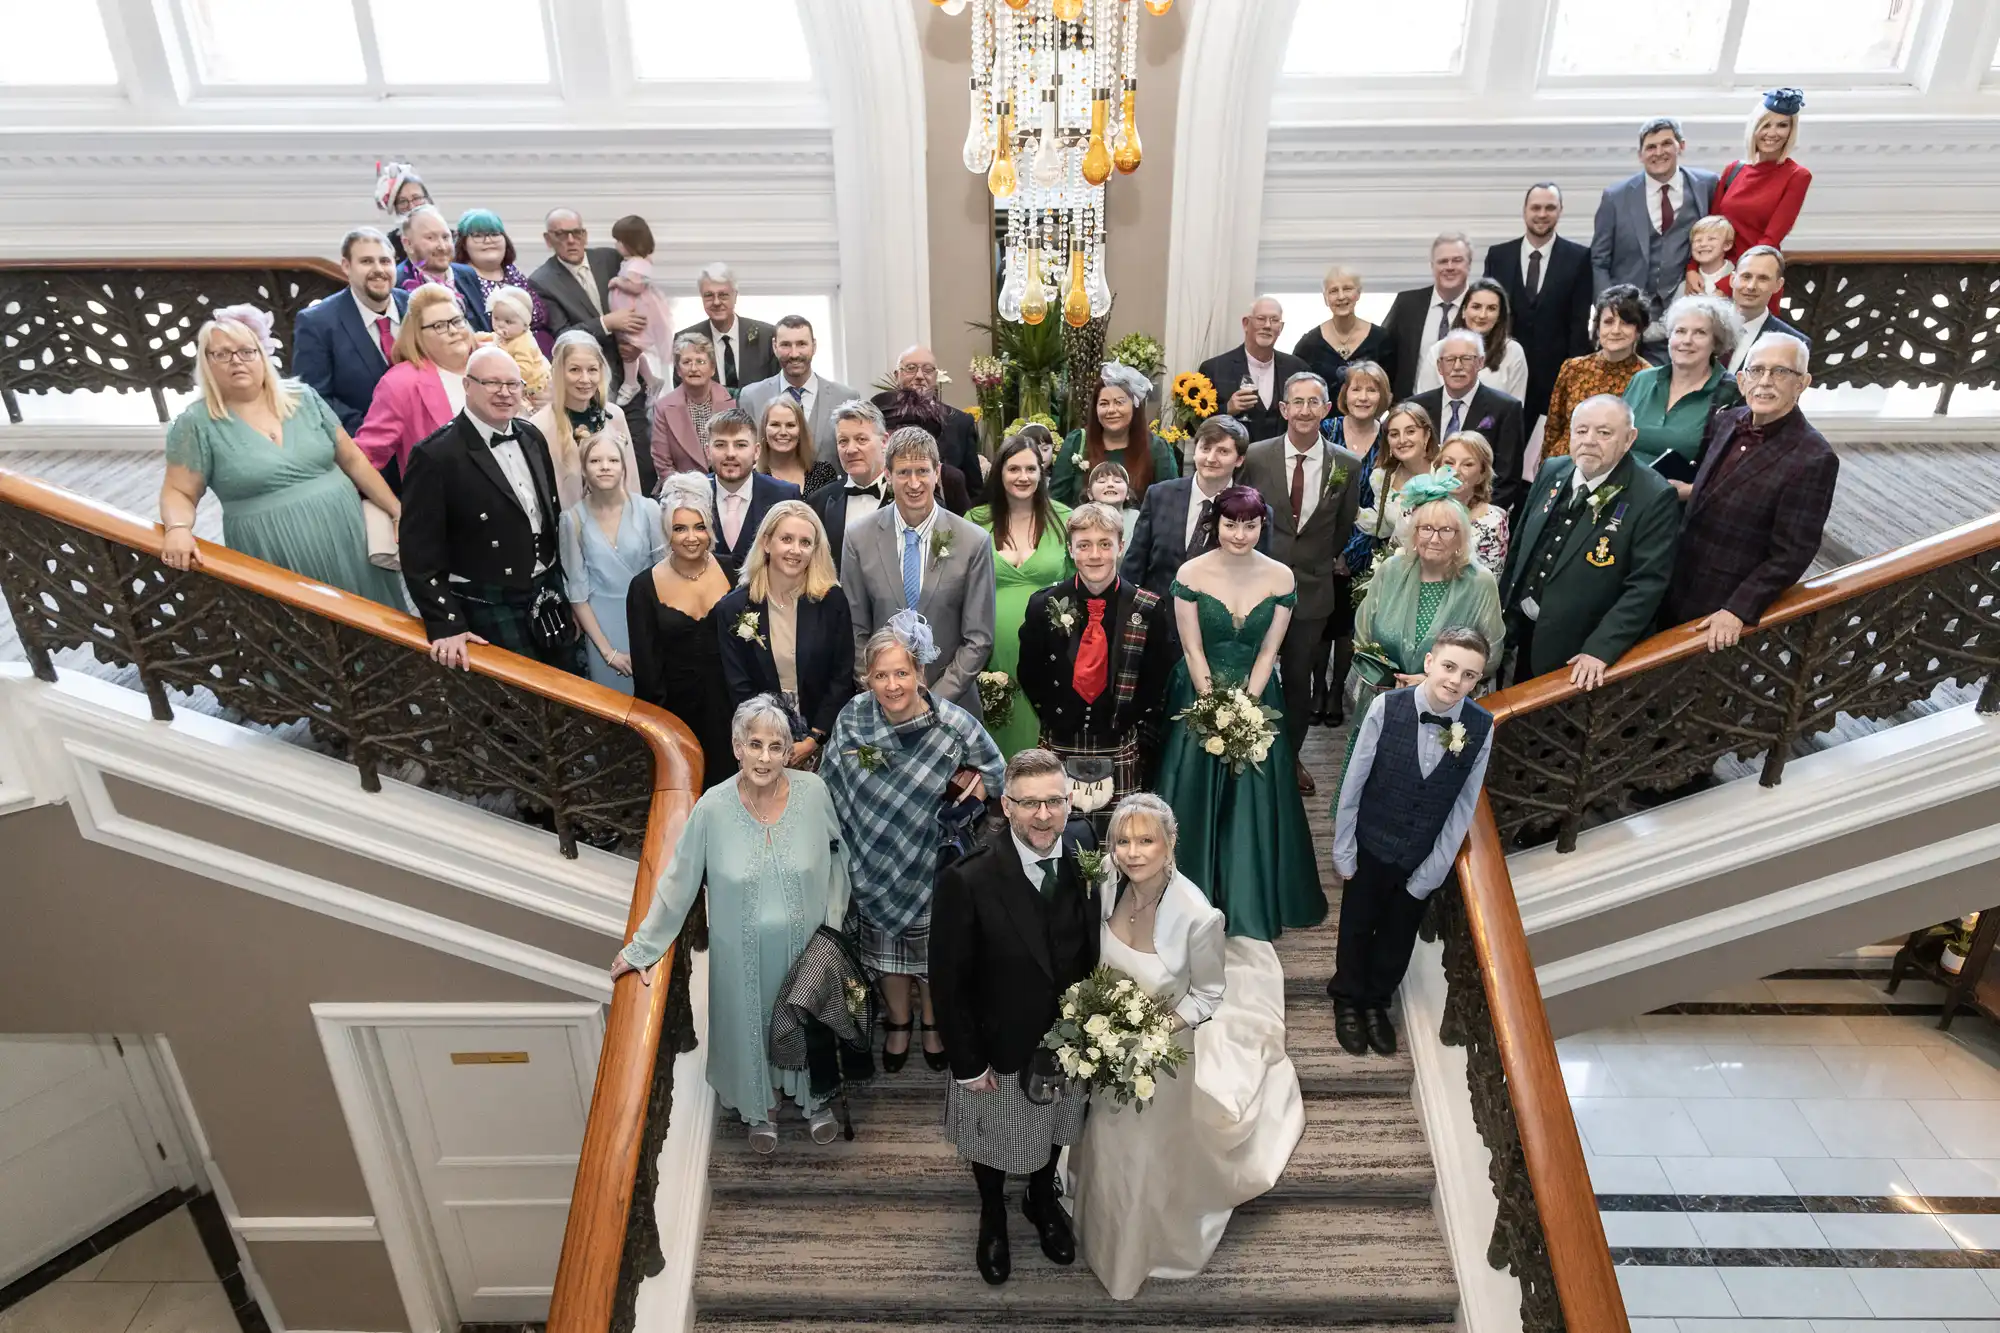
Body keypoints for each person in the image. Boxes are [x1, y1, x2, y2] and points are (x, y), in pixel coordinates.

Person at [1069, 792, 1302, 1301]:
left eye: (1146, 840)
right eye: (1123, 841)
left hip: (1162, 1056)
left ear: (1170, 844)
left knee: (1141, 1149)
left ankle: (1134, 1251)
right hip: (1105, 1043)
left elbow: (1209, 994)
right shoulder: (1106, 884)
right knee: (1102, 1137)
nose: (1132, 852)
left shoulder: (1199, 916)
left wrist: (1153, 1032)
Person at [612, 695, 852, 1151]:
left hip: (809, 951)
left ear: (789, 752)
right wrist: (642, 948)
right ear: (737, 747)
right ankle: (758, 1105)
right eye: (754, 744)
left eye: (776, 746)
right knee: (753, 1023)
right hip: (742, 957)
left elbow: (840, 862)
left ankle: (814, 1099)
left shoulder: (814, 793)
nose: (765, 757)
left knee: (808, 1021)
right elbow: (678, 883)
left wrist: (833, 930)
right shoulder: (711, 808)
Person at [928, 748, 1096, 1286]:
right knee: (991, 1139)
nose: (1043, 815)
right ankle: (994, 1212)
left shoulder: (1086, 843)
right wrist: (967, 1063)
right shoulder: (968, 880)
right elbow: (948, 982)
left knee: (1055, 1129)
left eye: (1054, 801)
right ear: (1006, 806)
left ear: (1069, 801)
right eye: (1029, 805)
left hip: (1069, 1040)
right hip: (998, 1044)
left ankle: (1040, 1200)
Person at [824, 614, 1006, 1074]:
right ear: (868, 678)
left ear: (920, 673)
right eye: (880, 675)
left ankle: (932, 1021)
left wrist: (974, 792)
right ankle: (900, 1023)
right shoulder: (853, 716)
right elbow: (830, 781)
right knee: (888, 955)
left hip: (931, 863)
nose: (891, 685)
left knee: (931, 955)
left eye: (901, 673)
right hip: (869, 858)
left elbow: (998, 772)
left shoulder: (953, 725)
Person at [1155, 485, 1325, 941]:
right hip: (1198, 687)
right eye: (1231, 524)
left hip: (1256, 689)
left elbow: (1270, 650)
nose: (1240, 534)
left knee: (1256, 791)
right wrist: (1212, 705)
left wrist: (1248, 706)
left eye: (1250, 525)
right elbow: (1191, 647)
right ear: (1216, 525)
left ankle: (1250, 895)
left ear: (1261, 526)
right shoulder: (1191, 572)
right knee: (1191, 787)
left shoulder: (1281, 577)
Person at [157, 305, 405, 606]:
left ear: (262, 355)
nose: (237, 361)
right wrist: (178, 529)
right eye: (222, 354)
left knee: (373, 619)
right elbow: (179, 490)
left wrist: (396, 510)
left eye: (247, 351)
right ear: (206, 364)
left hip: (348, 534)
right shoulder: (196, 423)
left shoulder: (304, 398)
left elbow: (353, 460)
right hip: (272, 549)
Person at [1328, 628, 1494, 1057]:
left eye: (1470, 675)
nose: (1456, 681)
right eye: (1450, 667)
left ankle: (1377, 1002)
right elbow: (1355, 782)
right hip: (1371, 843)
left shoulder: (1481, 725)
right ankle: (1347, 999)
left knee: (1399, 935)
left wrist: (1434, 869)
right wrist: (1344, 847)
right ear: (1429, 663)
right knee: (1358, 925)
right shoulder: (1388, 707)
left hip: (1420, 855)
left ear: (1478, 681)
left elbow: (1464, 804)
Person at [398, 345, 583, 674]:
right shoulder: (435, 455)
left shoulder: (531, 436)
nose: (505, 393)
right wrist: (446, 622)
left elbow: (546, 519)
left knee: (569, 682)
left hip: (548, 587)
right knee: (513, 702)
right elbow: (417, 553)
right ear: (467, 385)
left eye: (513, 384)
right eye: (492, 383)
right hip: (490, 597)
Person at [1664, 335, 1838, 652]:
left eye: (1781, 372)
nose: (1766, 382)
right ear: (1742, 381)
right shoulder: (1724, 421)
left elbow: (1792, 554)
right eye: (1757, 370)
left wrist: (1737, 609)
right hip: (1674, 579)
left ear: (1803, 383)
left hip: (1720, 602)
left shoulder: (1814, 459)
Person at [1498, 396, 1680, 691]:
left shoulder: (1653, 496)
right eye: (1581, 431)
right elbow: (1520, 545)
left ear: (1629, 439)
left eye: (1604, 433)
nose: (1590, 441)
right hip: (1520, 629)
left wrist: (1600, 648)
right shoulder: (1552, 470)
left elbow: (1646, 585)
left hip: (1579, 650)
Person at [1240, 372, 1365, 794]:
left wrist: (1313, 562)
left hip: (1311, 591)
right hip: (1253, 586)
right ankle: (1238, 751)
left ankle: (1290, 759)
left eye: (1315, 402)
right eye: (1297, 402)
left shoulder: (1346, 465)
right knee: (1245, 671)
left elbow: (1343, 528)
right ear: (1284, 409)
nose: (1305, 410)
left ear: (1328, 409)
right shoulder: (1256, 456)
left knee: (1299, 681)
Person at [1017, 504, 1172, 803]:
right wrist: (1055, 716)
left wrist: (1130, 720)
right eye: (1084, 545)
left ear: (1121, 546)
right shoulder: (1044, 604)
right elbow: (1029, 672)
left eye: (1105, 544)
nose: (1095, 555)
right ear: (1070, 549)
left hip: (1119, 738)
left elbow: (1156, 678)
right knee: (1056, 832)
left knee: (1118, 841)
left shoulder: (1148, 607)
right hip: (1060, 737)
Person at [840, 427, 996, 717]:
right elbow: (854, 630)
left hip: (953, 708)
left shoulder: (973, 541)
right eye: (904, 472)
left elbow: (978, 638)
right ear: (887, 474)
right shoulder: (858, 538)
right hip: (881, 707)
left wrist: (931, 702)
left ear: (937, 472)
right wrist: (885, 692)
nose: (914, 483)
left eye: (923, 471)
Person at [1346, 473, 1504, 743]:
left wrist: (1432, 682)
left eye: (1446, 530)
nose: (1435, 538)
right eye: (1426, 528)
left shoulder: (1480, 582)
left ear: (1460, 537)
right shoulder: (1391, 570)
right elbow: (1363, 635)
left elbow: (1491, 652)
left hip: (1446, 708)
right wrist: (1389, 679)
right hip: (1384, 700)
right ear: (1415, 533)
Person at [715, 501, 855, 770]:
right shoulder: (733, 609)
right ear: (767, 542)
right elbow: (739, 687)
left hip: (825, 741)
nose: (795, 550)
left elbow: (841, 677)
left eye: (805, 542)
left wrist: (815, 738)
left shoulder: (831, 600)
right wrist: (773, 743)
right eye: (786, 539)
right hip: (761, 743)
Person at [629, 473, 738, 789]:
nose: (691, 537)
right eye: (680, 528)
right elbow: (647, 672)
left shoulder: (733, 569)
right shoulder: (643, 588)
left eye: (699, 527)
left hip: (732, 708)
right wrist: (662, 733)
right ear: (667, 532)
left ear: (710, 530)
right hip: (678, 715)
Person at [968, 434, 1073, 757]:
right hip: (990, 651)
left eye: (1031, 469)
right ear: (999, 472)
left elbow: (1078, 587)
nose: (1023, 477)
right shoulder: (975, 522)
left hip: (1051, 650)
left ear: (1042, 473)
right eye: (1014, 469)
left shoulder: (1066, 520)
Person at [1316, 361, 1393, 724]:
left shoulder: (1389, 437)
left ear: (1382, 396)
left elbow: (1382, 509)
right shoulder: (1327, 429)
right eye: (1356, 389)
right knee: (1318, 623)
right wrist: (1331, 551)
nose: (1363, 397)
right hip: (1320, 543)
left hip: (1367, 550)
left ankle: (1336, 691)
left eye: (1372, 389)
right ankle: (1317, 687)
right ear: (1344, 395)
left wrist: (1349, 554)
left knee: (1348, 626)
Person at [1484, 183, 1595, 427]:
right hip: (1503, 374)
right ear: (1524, 211)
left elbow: (1579, 323)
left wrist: (1574, 379)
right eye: (1536, 207)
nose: (1542, 214)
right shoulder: (1498, 256)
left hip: (1554, 381)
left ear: (1560, 211)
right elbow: (1487, 317)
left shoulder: (1579, 258)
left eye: (1550, 208)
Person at [559, 434, 664, 691]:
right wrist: (607, 652)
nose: (605, 466)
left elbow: (665, 574)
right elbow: (577, 592)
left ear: (624, 466)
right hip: (602, 628)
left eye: (613, 460)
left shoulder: (649, 509)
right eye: (595, 460)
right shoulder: (571, 520)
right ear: (584, 469)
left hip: (649, 621)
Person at [1590, 117, 1719, 321]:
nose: (1659, 152)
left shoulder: (1707, 185)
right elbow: (1599, 260)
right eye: (1651, 147)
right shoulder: (1614, 197)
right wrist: (1610, 310)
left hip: (1685, 310)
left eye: (1666, 143)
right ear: (1640, 155)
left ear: (1681, 146)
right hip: (1629, 314)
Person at [1121, 415, 1262, 601]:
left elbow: (1257, 577)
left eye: (1223, 451)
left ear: (1239, 460)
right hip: (1157, 619)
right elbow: (1134, 565)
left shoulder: (1254, 510)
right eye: (1205, 448)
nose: (1211, 458)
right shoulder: (1159, 496)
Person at [353, 283, 474, 493]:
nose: (454, 331)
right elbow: (363, 459)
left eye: (456, 321)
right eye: (439, 325)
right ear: (417, 334)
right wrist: (393, 509)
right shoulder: (400, 383)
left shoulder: (493, 361)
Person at [293, 226, 410, 434]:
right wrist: (376, 432)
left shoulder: (416, 307)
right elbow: (314, 399)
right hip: (361, 445)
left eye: (385, 261)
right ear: (346, 266)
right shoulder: (316, 322)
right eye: (366, 261)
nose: (378, 270)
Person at [1624, 295, 1744, 483]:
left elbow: (1735, 471)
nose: (1687, 340)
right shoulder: (1642, 380)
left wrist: (1691, 492)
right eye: (1680, 331)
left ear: (1716, 342)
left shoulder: (1730, 394)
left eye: (1700, 333)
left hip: (1680, 505)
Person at [528, 209, 642, 399]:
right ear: (548, 239)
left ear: (585, 235)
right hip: (590, 382)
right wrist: (606, 323)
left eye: (577, 232)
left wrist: (640, 344)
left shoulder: (611, 259)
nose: (571, 240)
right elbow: (564, 335)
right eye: (561, 234)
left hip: (633, 371)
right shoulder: (541, 281)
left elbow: (643, 300)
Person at [1411, 330, 1528, 511]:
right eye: (1450, 359)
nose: (1457, 366)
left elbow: (1507, 479)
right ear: (1439, 366)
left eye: (1466, 359)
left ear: (1480, 362)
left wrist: (1474, 517)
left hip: (1476, 518)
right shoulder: (1417, 407)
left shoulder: (1506, 409)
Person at [528, 330, 644, 510]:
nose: (585, 379)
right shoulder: (540, 427)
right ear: (559, 371)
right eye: (574, 370)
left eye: (592, 370)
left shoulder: (615, 416)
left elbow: (632, 482)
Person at [1542, 284, 1651, 461]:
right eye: (1608, 322)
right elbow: (1553, 428)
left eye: (1626, 323)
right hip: (1563, 464)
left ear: (1639, 330)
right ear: (1598, 327)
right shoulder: (1573, 367)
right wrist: (1545, 472)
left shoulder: (1648, 378)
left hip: (1612, 473)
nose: (1615, 330)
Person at [1051, 362, 1180, 507]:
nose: (1111, 410)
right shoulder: (1076, 442)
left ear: (1134, 407)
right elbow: (1056, 503)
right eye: (1104, 404)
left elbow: (1170, 504)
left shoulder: (1156, 448)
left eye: (1119, 402)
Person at [1341, 400, 1439, 588]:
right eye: (1394, 434)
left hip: (1442, 574)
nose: (1402, 440)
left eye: (1411, 431)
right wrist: (1349, 509)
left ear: (1426, 434)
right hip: (1402, 577)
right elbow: (1382, 527)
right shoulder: (1383, 477)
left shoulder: (1445, 469)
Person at [1711, 89, 1811, 265]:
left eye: (1782, 125)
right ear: (1754, 127)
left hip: (1755, 275)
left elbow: (1770, 240)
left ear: (1791, 130)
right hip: (1717, 271)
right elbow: (1710, 229)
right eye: (1766, 124)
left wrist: (1729, 282)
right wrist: (1693, 269)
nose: (1772, 133)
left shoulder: (1797, 176)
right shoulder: (1733, 170)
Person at [736, 315, 860, 454]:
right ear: (775, 347)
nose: (794, 354)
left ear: (814, 346)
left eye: (801, 344)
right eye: (786, 345)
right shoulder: (751, 397)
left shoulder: (845, 398)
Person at [1195, 297, 1310, 446]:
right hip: (1235, 463)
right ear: (1246, 324)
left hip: (1283, 460)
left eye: (1274, 320)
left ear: (1280, 328)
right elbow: (1197, 424)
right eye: (1261, 319)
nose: (1267, 326)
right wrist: (1227, 409)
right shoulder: (1213, 368)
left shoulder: (1297, 369)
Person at [704, 408, 802, 581]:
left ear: (756, 451)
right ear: (707, 451)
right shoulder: (692, 495)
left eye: (740, 445)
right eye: (720, 445)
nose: (730, 453)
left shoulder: (785, 496)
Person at [873, 344, 984, 485]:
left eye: (928, 370)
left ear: (936, 376)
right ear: (897, 375)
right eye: (911, 368)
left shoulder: (960, 422)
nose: (919, 376)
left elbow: (974, 488)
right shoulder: (878, 413)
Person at [1381, 233, 1474, 400]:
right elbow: (1383, 357)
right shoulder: (1407, 304)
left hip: (1466, 412)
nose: (1450, 266)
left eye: (1457, 260)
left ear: (1469, 264)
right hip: (1412, 413)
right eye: (1443, 261)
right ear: (1432, 265)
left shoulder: (1483, 307)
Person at [803, 399, 888, 573]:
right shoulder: (819, 501)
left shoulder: (908, 496)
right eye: (843, 441)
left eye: (861, 439)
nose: (850, 449)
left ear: (884, 442)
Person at [454, 209, 552, 354]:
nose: (488, 240)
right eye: (478, 235)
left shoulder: (512, 271)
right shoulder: (461, 279)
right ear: (463, 243)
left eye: (494, 234)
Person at [1416, 277, 1529, 403]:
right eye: (1476, 307)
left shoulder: (1513, 352)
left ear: (1499, 316)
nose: (1482, 315)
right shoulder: (1438, 350)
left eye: (1491, 308)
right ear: (1464, 311)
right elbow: (1423, 407)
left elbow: (1515, 410)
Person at [671, 262, 779, 393]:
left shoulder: (766, 336)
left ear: (735, 296)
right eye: (709, 295)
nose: (716, 302)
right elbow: (680, 395)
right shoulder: (685, 339)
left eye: (723, 295)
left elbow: (777, 389)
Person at [1290, 266, 1395, 395]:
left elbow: (1391, 390)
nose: (1341, 296)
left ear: (1358, 293)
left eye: (1347, 289)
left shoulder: (1381, 339)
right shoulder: (1309, 344)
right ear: (1325, 298)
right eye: (1333, 291)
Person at [605, 214, 676, 404]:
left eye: (620, 241)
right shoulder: (630, 261)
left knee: (630, 350)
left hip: (638, 313)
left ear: (632, 243)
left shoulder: (638, 264)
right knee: (632, 351)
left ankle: (631, 383)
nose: (616, 246)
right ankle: (651, 380)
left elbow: (637, 287)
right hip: (629, 313)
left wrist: (618, 282)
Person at [649, 332, 736, 479]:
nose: (693, 368)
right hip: (682, 490)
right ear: (678, 370)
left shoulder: (733, 400)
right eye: (687, 362)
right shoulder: (663, 407)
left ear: (712, 368)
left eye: (700, 362)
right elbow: (663, 464)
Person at [394, 206, 488, 331]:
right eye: (430, 238)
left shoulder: (467, 274)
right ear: (408, 244)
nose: (442, 247)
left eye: (445, 237)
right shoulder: (396, 284)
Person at [1725, 246, 1811, 373]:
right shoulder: (1702, 325)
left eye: (1763, 278)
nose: (1751, 286)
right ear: (1732, 280)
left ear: (1778, 285)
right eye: (1746, 276)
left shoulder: (1794, 343)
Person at [1437, 430, 1509, 572]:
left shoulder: (1493, 523)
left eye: (1467, 465)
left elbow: (1488, 586)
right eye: (1449, 463)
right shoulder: (1419, 503)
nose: (1456, 471)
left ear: (1482, 475)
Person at [755, 394, 838, 495]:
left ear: (800, 431)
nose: (783, 432)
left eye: (790, 425)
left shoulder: (824, 473)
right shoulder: (753, 477)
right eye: (775, 425)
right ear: (764, 430)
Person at [485, 285, 550, 405]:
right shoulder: (507, 335)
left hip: (530, 384)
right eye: (496, 318)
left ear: (525, 325)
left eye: (508, 322)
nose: (500, 325)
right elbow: (492, 337)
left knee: (523, 405)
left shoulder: (523, 343)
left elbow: (525, 370)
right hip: (513, 378)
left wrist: (504, 374)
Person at [370, 160, 429, 263]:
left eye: (416, 198)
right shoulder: (388, 245)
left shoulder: (450, 237)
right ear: (395, 208)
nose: (411, 206)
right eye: (402, 202)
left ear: (427, 199)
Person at [1683, 215, 1737, 298]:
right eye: (1698, 240)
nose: (1703, 244)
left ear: (1727, 245)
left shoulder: (1738, 279)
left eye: (1711, 239)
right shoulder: (1687, 283)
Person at [1085, 461, 1137, 543]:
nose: (1110, 484)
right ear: (1089, 494)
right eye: (1102, 481)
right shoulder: (1081, 520)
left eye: (1117, 481)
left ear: (1128, 494)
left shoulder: (1138, 519)